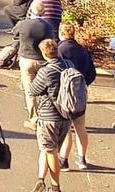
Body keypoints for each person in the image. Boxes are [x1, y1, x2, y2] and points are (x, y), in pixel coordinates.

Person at [29, 39, 74, 192]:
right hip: (66, 115)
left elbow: (33, 90)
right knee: (46, 149)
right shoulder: (69, 64)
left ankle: (56, 187)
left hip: (49, 117)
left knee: (50, 151)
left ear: (43, 53)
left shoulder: (46, 71)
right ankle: (40, 179)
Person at [56, 23, 93, 172]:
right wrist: (83, 84)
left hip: (64, 95)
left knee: (66, 128)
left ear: (61, 33)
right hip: (80, 93)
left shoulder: (59, 50)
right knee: (80, 127)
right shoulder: (83, 51)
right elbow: (92, 73)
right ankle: (82, 158)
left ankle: (64, 160)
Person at [13, 0, 52, 125]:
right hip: (42, 60)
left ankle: (34, 119)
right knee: (44, 89)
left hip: (26, 59)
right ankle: (47, 115)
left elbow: (15, 34)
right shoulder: (47, 26)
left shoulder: (23, 24)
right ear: (43, 12)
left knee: (30, 91)